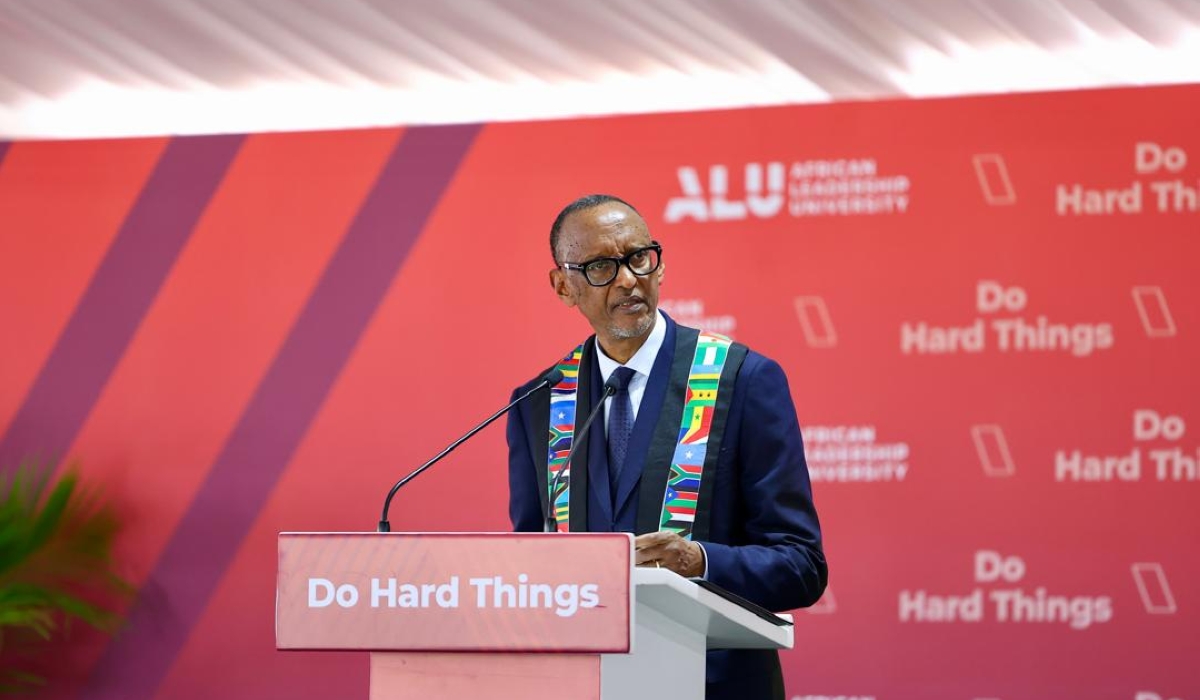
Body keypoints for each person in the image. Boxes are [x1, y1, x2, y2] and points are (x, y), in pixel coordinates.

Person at [506, 194, 827, 700]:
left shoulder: (740, 380)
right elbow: (531, 567)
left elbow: (801, 565)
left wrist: (697, 561)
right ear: (563, 286)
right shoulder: (540, 403)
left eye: (639, 257)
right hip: (585, 685)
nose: (629, 279)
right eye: (600, 267)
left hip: (711, 683)